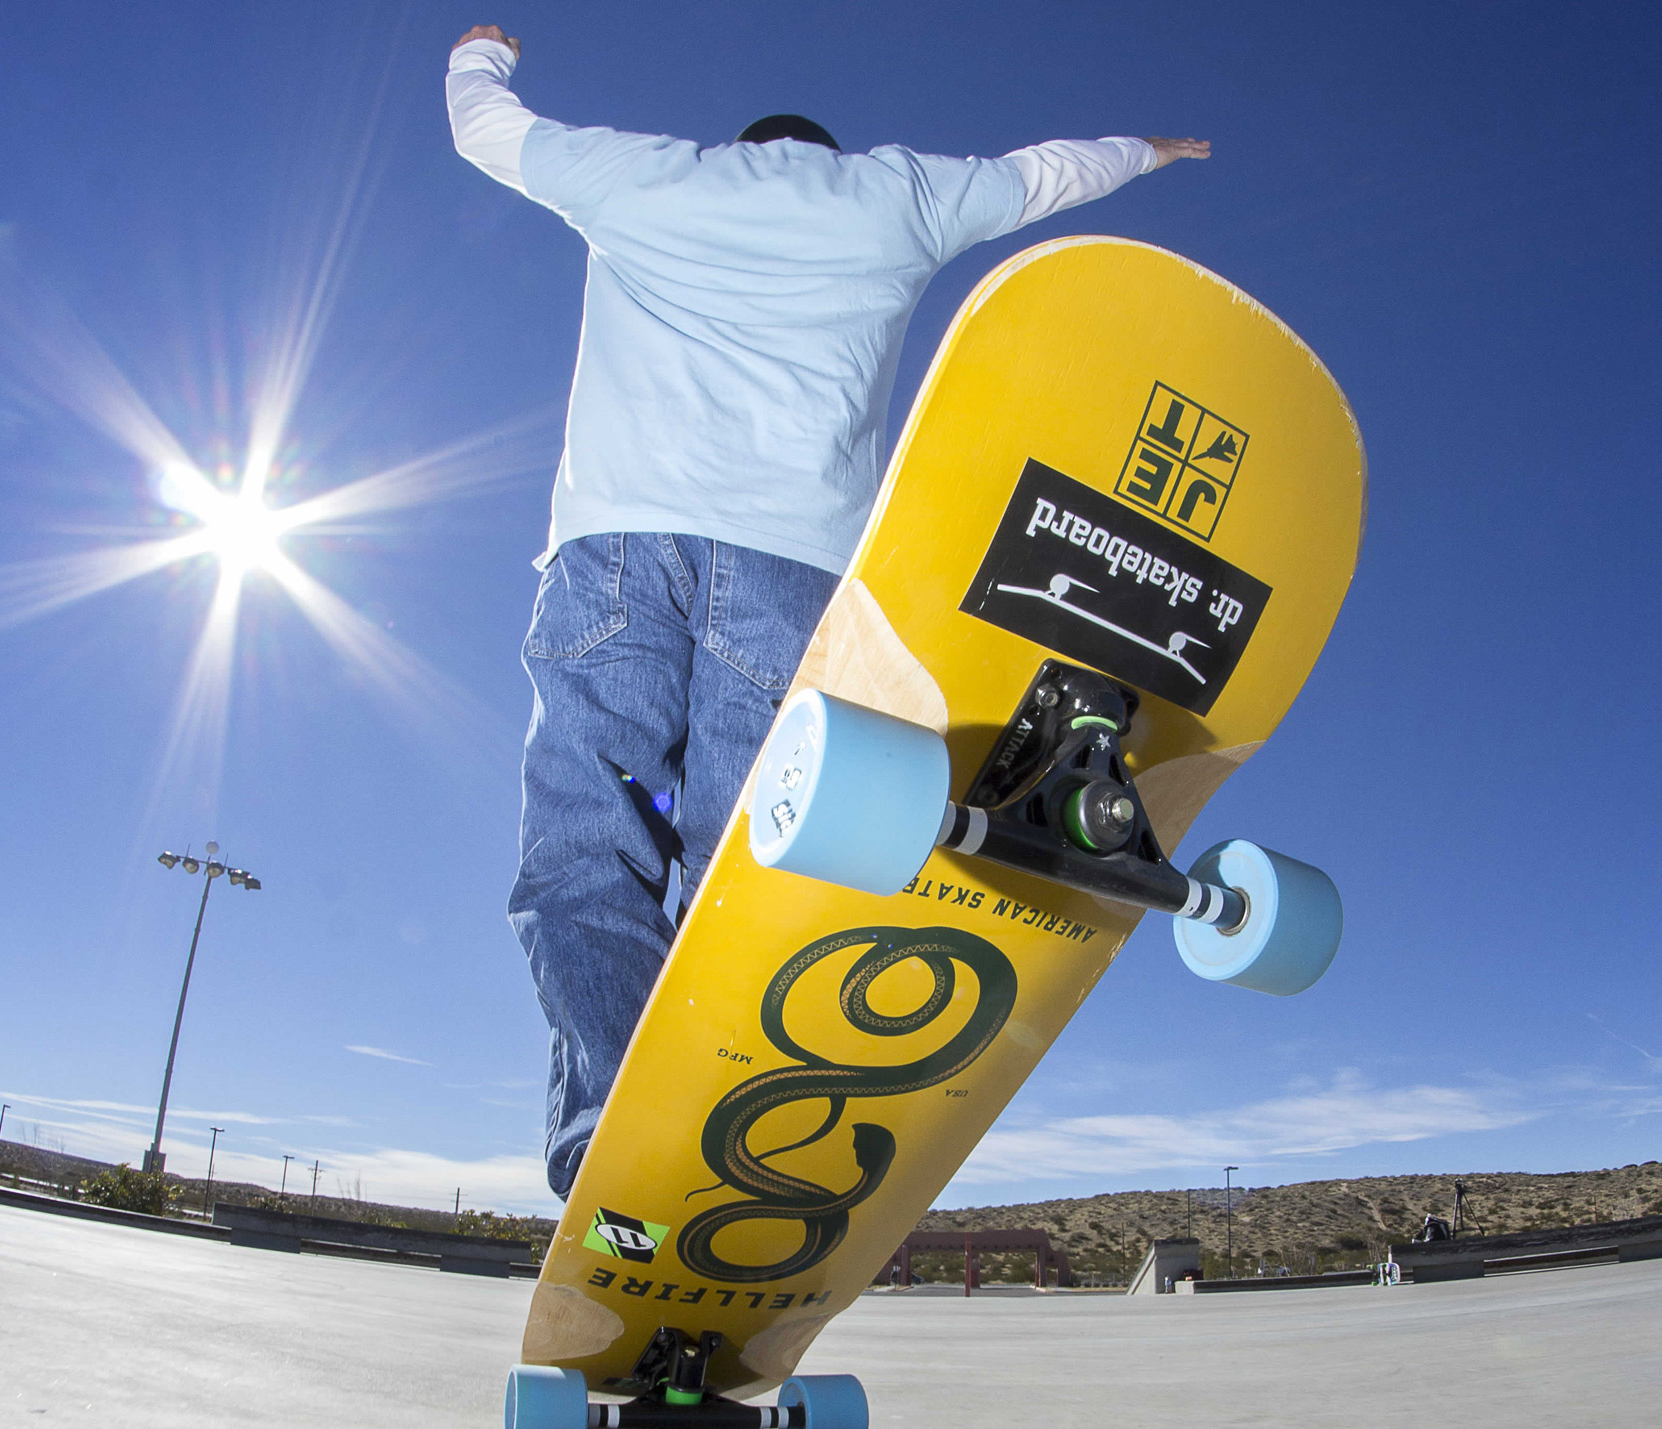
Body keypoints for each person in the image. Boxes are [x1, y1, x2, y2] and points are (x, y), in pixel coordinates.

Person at [447, 22, 1210, 1198]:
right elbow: (1041, 176)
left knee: (583, 848)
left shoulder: (643, 176)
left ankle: (610, 1138)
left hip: (615, 551)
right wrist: (1147, 151)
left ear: (742, 148)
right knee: (744, 865)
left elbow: (486, 132)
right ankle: (714, 1121)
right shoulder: (894, 196)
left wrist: (478, 53)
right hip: (792, 570)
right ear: (826, 154)